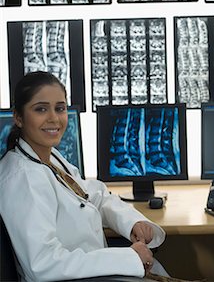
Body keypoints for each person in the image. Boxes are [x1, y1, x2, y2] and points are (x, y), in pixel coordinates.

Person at [0, 71, 167, 281]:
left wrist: (132, 223)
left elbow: (91, 195)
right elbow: (43, 264)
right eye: (41, 109)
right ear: (18, 117)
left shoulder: (49, 157)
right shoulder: (23, 178)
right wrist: (128, 257)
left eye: (59, 108)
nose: (54, 118)